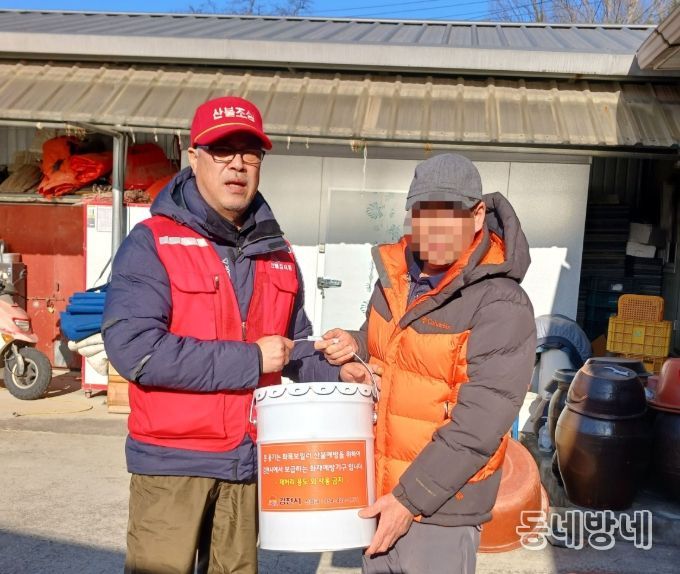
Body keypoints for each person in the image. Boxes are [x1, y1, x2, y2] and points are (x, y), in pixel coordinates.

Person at [102, 96, 372, 574]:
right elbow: (136, 351)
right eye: (222, 150)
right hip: (173, 464)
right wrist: (251, 360)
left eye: (250, 152)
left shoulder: (278, 252)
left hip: (248, 463)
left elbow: (294, 345)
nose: (238, 164)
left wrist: (338, 370)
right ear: (194, 157)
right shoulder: (153, 242)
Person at [316, 153, 537, 574]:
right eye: (422, 213)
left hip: (440, 507)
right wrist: (353, 348)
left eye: (447, 214)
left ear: (476, 215)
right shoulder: (396, 281)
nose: (432, 228)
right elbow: (384, 348)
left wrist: (408, 500)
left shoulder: (500, 303)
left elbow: (479, 424)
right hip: (382, 488)